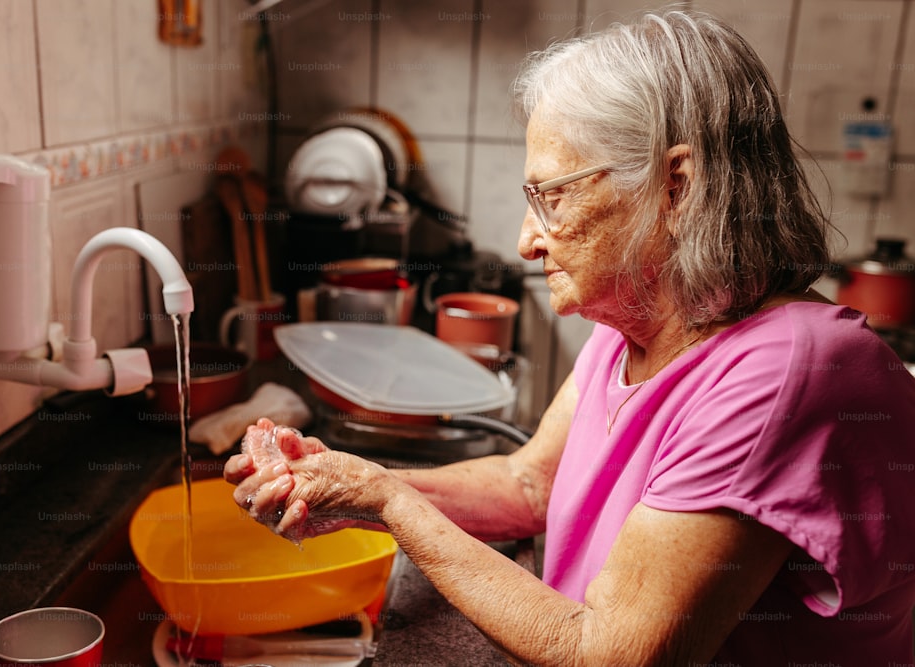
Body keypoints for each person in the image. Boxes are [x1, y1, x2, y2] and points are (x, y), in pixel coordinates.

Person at [224, 10, 915, 665]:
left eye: (552, 198)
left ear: (676, 188)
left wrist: (389, 502)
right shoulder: (640, 321)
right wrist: (351, 483)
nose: (527, 241)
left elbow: (608, 651)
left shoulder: (782, 371)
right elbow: (529, 483)